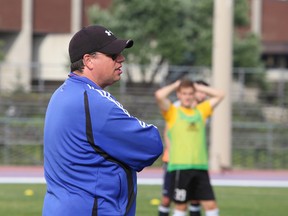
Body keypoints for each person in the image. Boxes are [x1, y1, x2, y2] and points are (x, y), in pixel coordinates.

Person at [42, 25, 163, 216]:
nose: (121, 59)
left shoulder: (62, 93)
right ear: (88, 60)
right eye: (113, 55)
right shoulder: (94, 101)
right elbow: (151, 145)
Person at [155, 79, 224, 216]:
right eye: (184, 93)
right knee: (180, 207)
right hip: (180, 167)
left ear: (194, 95)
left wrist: (197, 86)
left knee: (211, 205)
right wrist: (176, 85)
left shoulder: (201, 110)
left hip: (200, 167)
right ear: (179, 95)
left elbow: (220, 94)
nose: (187, 96)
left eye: (190, 93)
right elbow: (159, 95)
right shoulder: (173, 112)